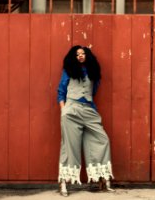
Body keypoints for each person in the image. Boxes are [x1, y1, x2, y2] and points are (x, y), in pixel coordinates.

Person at [57, 45, 114, 197]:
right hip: (71, 110)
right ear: (73, 57)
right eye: (77, 54)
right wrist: (64, 110)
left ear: (87, 56)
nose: (80, 56)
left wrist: (91, 108)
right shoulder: (68, 71)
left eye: (83, 54)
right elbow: (61, 91)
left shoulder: (93, 72)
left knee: (102, 139)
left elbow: (93, 91)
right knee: (70, 146)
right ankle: (64, 183)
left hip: (89, 109)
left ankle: (102, 177)